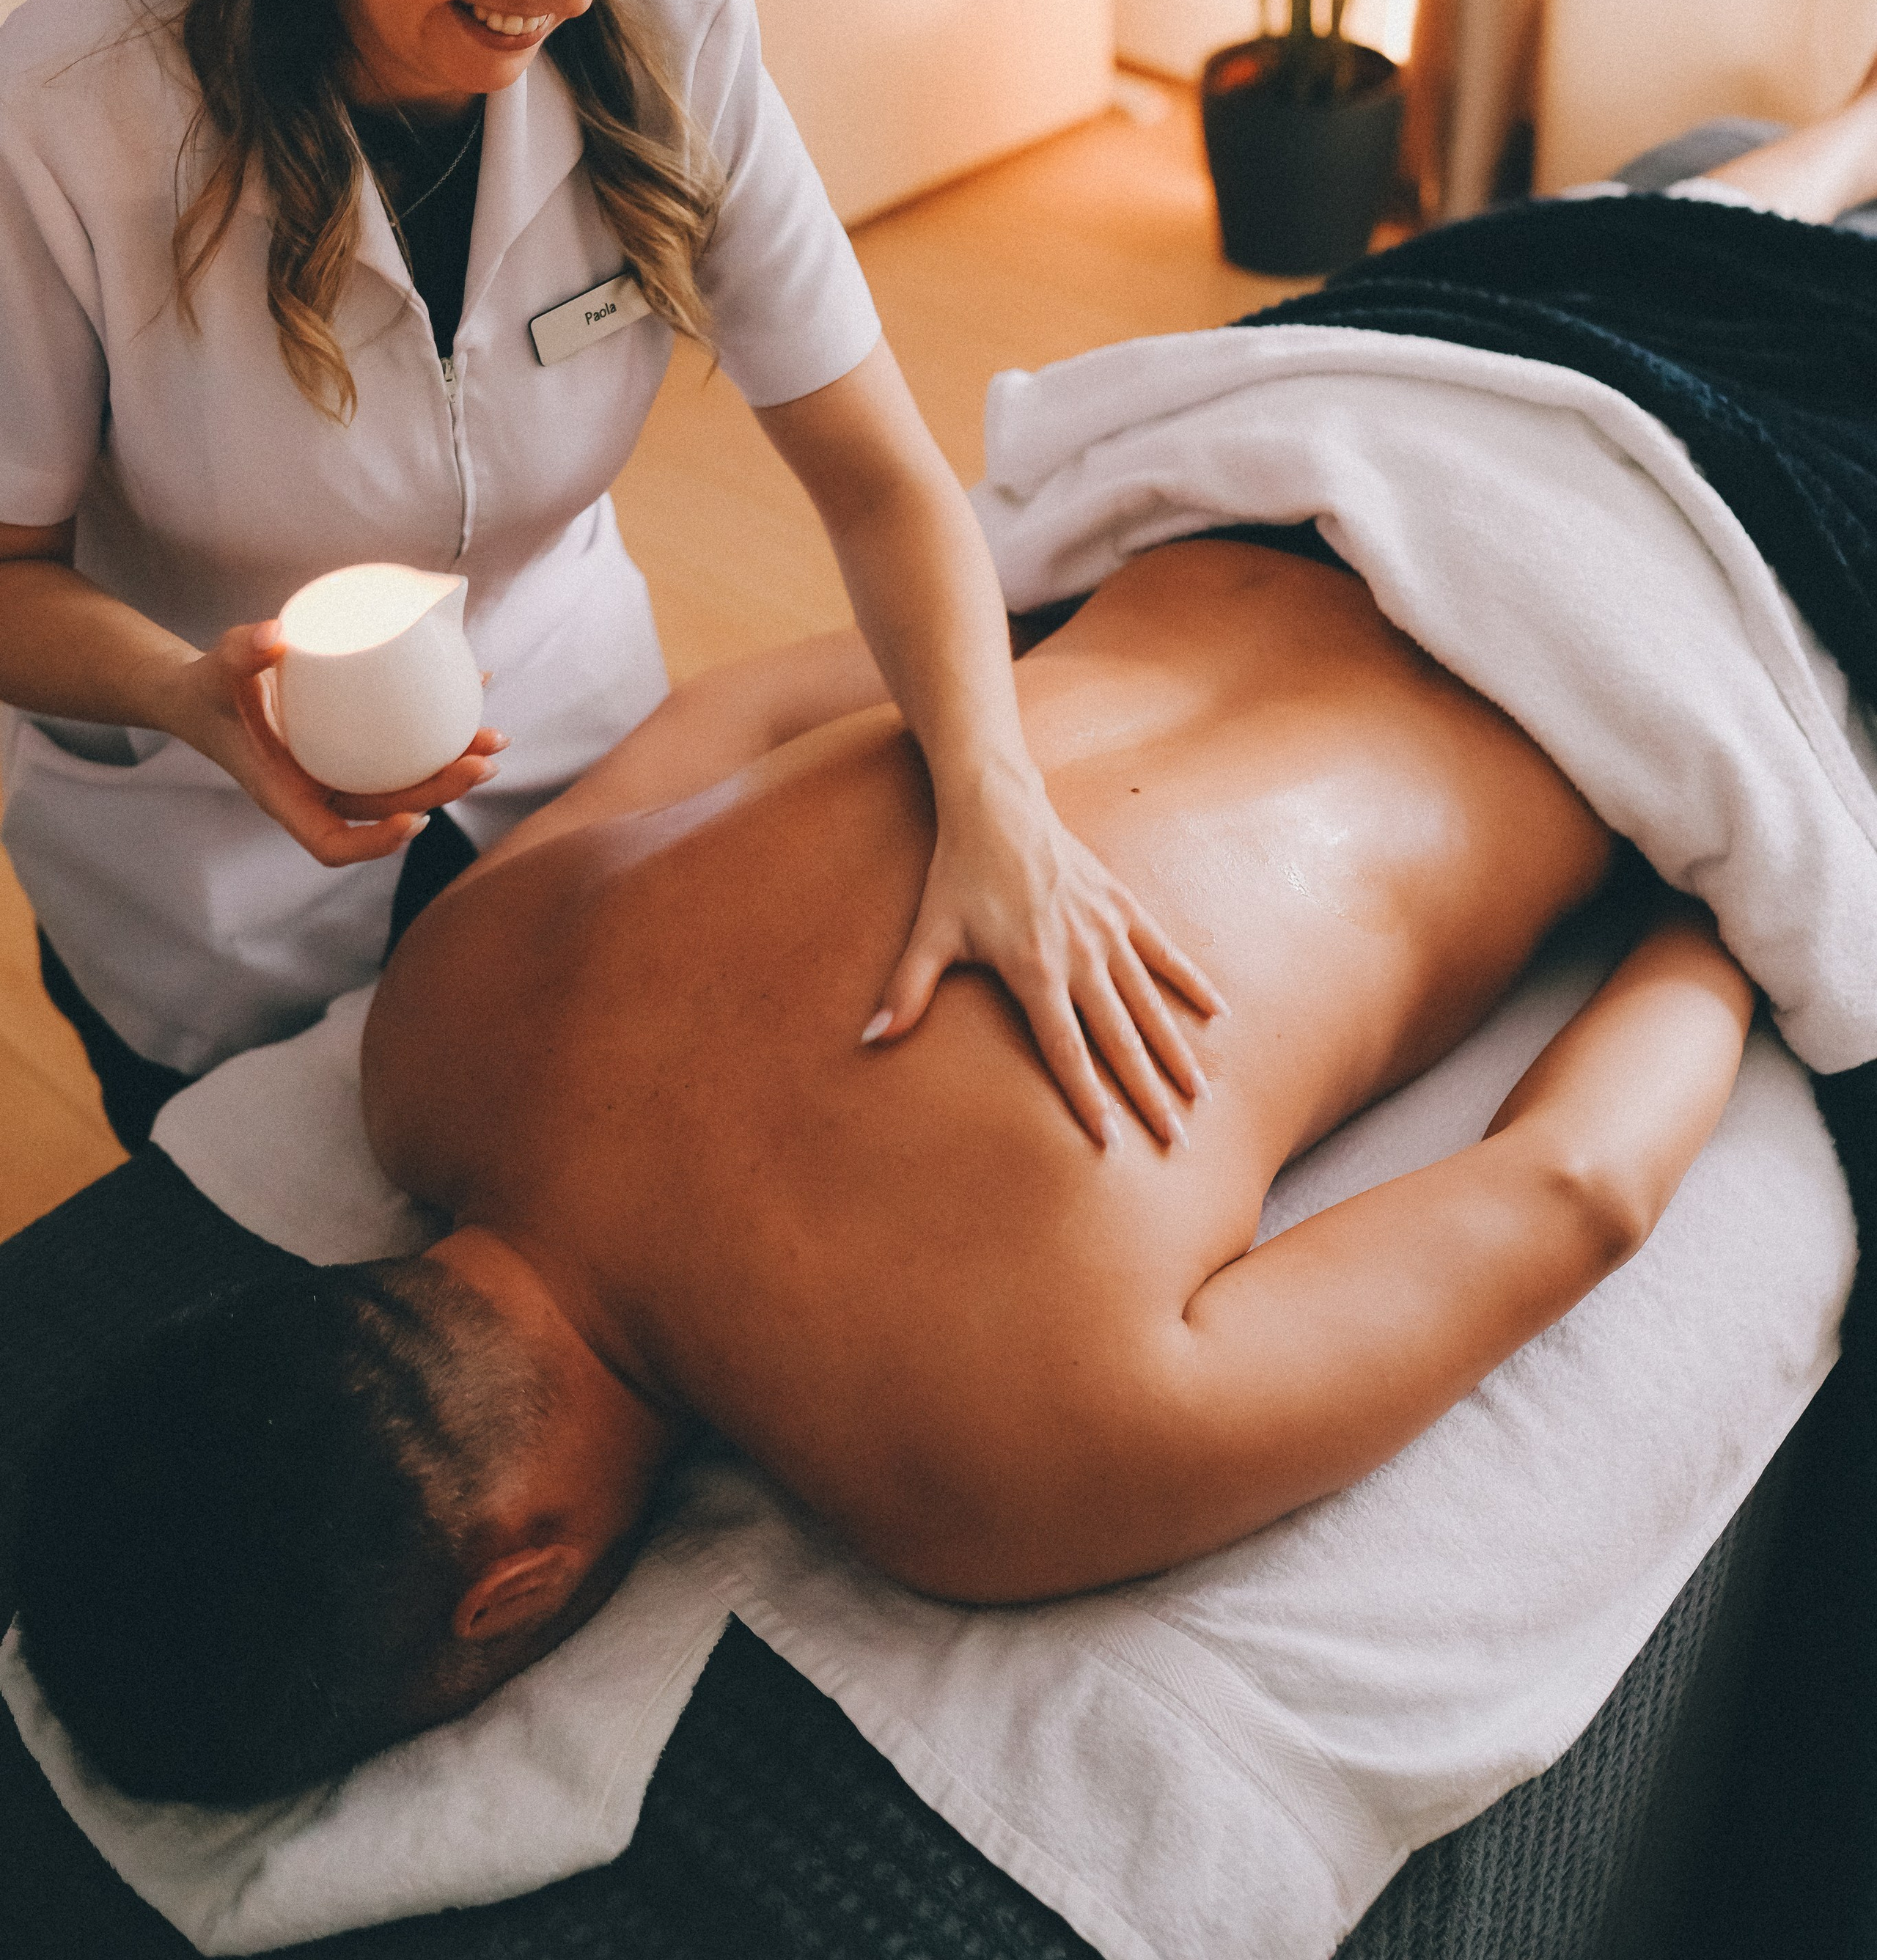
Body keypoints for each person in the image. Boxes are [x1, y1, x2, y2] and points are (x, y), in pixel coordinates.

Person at [13, 531, 1755, 1805]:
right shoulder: (430, 1025)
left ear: (511, 1587)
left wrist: (1749, 859)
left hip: (1652, 615)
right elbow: (750, 700)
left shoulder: (981, 1473)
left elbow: (1571, 1189)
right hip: (1308, 464)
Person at [0, 0, 1213, 1161]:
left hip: (579, 768)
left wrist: (998, 803)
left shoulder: (681, 37)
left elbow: (883, 481)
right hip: (214, 859)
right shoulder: (66, 123)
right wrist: (194, 699)